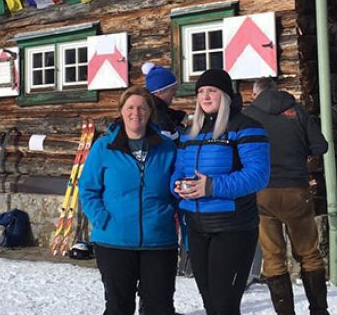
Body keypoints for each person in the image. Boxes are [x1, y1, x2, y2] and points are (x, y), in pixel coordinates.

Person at [172, 69, 270, 315]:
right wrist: (176, 186)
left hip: (232, 227)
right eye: (201, 92)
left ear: (225, 95)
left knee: (224, 304)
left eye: (212, 91)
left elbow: (258, 175)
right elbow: (178, 169)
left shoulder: (246, 127)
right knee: (209, 302)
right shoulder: (190, 132)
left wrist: (212, 186)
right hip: (196, 226)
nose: (205, 97)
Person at [80, 86, 179, 315]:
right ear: (122, 111)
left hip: (159, 242)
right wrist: (103, 219)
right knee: (118, 307)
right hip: (114, 242)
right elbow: (87, 189)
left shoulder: (166, 148)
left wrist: (170, 217)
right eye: (131, 107)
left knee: (160, 307)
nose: (136, 113)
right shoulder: (104, 147)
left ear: (150, 112)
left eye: (142, 108)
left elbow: (177, 187)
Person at [244, 78, 329, 315]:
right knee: (310, 254)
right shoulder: (298, 111)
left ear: (256, 94)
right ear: (276, 90)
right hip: (296, 191)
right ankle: (319, 310)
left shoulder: (249, 115)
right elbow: (320, 146)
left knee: (273, 258)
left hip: (262, 193)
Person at [142, 62, 187, 142]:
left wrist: (180, 117)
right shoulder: (158, 116)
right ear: (159, 91)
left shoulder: (157, 109)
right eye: (172, 90)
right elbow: (172, 143)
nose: (174, 93)